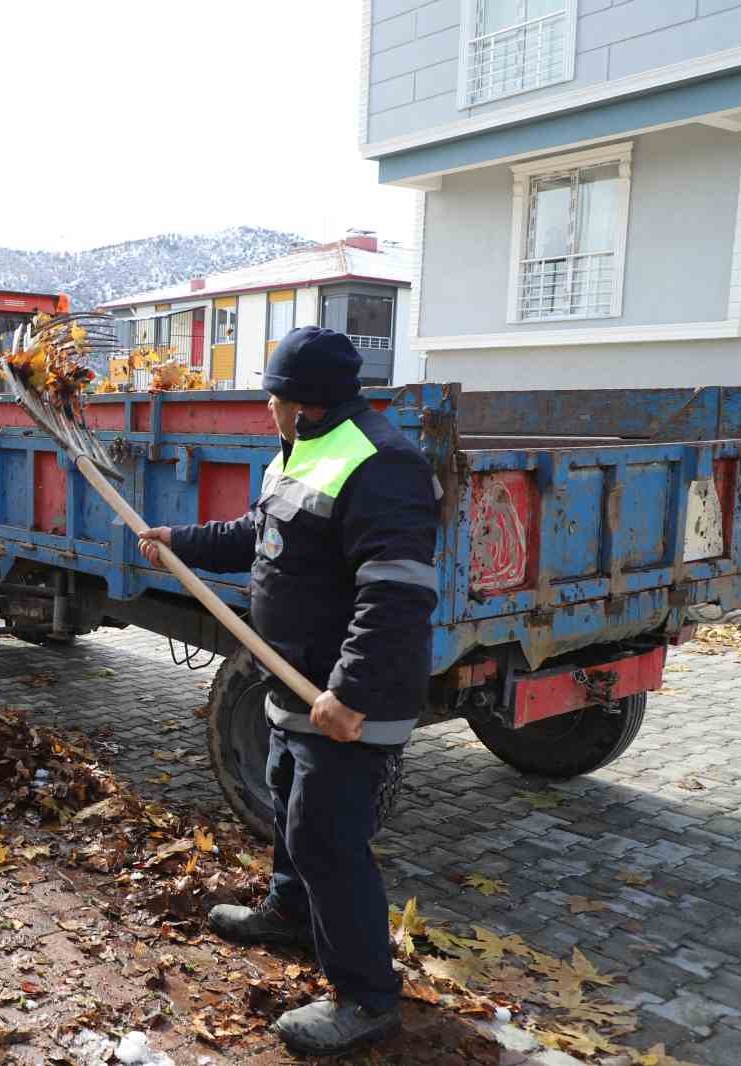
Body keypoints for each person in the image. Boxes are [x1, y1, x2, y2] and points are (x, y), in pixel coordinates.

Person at [137, 326, 438, 1057]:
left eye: (272, 398)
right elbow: (258, 534)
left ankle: (367, 997)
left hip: (344, 699)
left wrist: (351, 692)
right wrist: (181, 539)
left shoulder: (382, 464)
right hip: (290, 683)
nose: (266, 410)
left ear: (300, 405)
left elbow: (395, 594)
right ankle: (289, 912)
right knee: (285, 801)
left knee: (328, 838)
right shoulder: (304, 451)